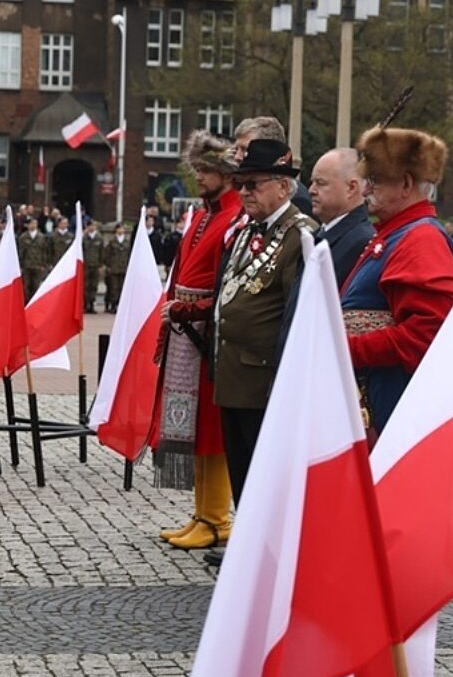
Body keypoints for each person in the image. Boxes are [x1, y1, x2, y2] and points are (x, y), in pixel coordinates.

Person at [211, 135, 315, 528]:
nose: (243, 192)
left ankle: (266, 543)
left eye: (253, 184)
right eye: (240, 184)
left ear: (283, 187)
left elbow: (296, 314)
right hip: (233, 373)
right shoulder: (248, 230)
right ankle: (247, 539)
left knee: (264, 472)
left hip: (263, 378)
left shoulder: (299, 235)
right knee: (241, 468)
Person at [340, 127, 453, 437]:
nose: (365, 190)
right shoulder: (398, 232)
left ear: (406, 183)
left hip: (393, 404)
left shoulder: (420, 239)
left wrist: (345, 349)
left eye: (375, 180)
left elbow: (427, 334)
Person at [153, 132, 242, 551]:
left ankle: (217, 518)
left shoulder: (233, 216)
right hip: (188, 332)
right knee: (196, 428)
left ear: (226, 173)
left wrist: (192, 309)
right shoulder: (206, 214)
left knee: (212, 430)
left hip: (208, 333)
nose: (199, 177)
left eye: (206, 170)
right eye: (198, 169)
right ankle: (202, 513)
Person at [308, 147, 372, 287]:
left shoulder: (361, 242)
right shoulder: (317, 235)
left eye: (321, 183)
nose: (311, 190)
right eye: (312, 182)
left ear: (351, 188)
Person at [103, 221, 131, 312]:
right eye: (119, 228)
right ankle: (113, 305)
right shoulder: (112, 242)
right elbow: (107, 254)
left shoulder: (127, 242)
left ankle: (120, 305)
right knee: (113, 288)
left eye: (122, 228)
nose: (121, 230)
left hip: (123, 268)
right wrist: (108, 266)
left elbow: (129, 255)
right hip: (114, 268)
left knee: (122, 287)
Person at [81, 219, 104, 313]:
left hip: (96, 265)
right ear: (87, 227)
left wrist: (101, 264)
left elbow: (102, 252)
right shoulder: (84, 237)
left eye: (94, 225)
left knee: (94, 285)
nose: (93, 227)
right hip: (86, 265)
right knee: (86, 285)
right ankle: (85, 304)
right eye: (91, 225)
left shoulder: (99, 238)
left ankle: (92, 304)